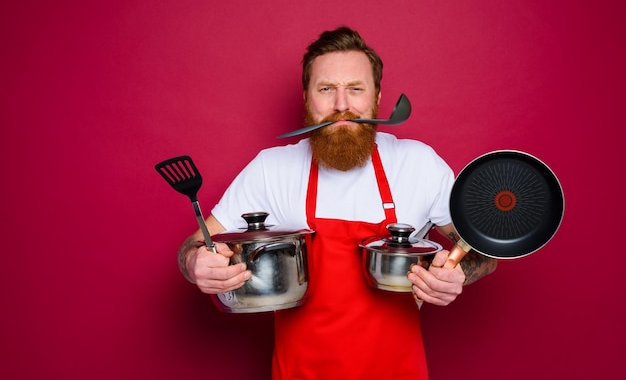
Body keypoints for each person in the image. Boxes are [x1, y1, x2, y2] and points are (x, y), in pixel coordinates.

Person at [177, 26, 497, 379]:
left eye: (355, 89)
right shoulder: (271, 169)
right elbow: (195, 244)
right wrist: (197, 263)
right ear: (306, 97)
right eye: (326, 89)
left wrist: (456, 276)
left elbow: (480, 251)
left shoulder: (418, 164)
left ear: (376, 97)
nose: (341, 105)